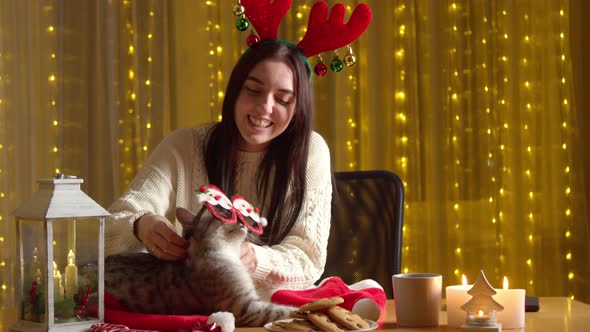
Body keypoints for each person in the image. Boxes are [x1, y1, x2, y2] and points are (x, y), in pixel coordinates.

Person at [105, 40, 333, 298]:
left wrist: (255, 259)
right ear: (235, 90)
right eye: (253, 90)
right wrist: (141, 225)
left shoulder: (310, 152)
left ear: (298, 107)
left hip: (273, 309)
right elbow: (111, 226)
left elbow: (309, 257)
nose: (265, 107)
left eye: (282, 99)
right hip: (194, 305)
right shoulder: (184, 145)